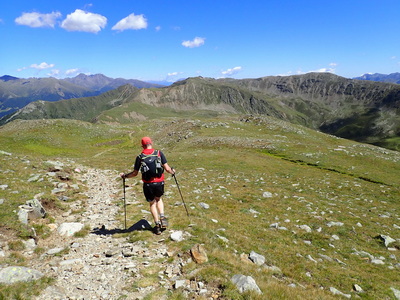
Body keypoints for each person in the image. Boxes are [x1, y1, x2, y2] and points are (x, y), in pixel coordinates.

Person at [120, 137, 175, 235]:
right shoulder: (159, 153)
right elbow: (167, 168)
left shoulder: (140, 157)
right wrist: (172, 172)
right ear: (151, 143)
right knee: (159, 199)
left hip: (148, 184)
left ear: (142, 145)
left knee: (152, 203)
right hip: (159, 182)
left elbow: (135, 173)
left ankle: (157, 225)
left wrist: (125, 176)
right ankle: (162, 215)